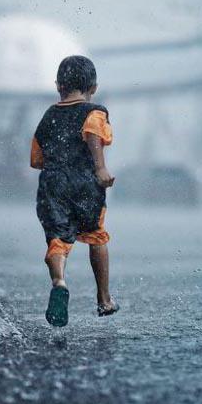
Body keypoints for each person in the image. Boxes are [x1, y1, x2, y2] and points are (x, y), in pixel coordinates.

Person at [30, 55, 119, 327]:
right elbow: (92, 132)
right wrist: (100, 168)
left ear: (59, 86)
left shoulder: (49, 115)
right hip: (85, 184)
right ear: (93, 87)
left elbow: (36, 159)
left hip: (53, 183)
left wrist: (59, 160)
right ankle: (104, 299)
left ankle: (59, 281)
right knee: (96, 237)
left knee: (57, 241)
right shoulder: (95, 111)